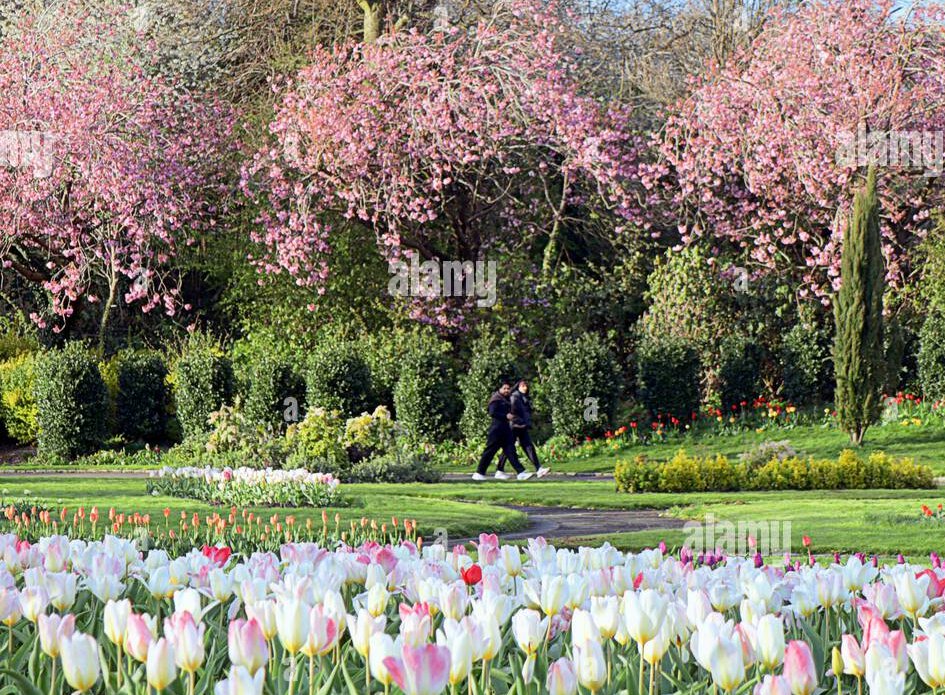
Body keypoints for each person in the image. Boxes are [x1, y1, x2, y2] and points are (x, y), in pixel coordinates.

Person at [472, 379, 533, 481]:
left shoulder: (507, 399)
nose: (506, 390)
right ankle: (479, 473)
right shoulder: (496, 399)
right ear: (500, 389)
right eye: (504, 388)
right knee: (489, 452)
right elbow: (492, 413)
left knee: (511, 451)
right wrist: (506, 416)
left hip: (506, 429)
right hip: (496, 430)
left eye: (508, 388)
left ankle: (521, 472)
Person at [495, 378, 550, 479]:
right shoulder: (515, 397)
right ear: (518, 387)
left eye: (526, 386)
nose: (525, 388)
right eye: (523, 386)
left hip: (521, 426)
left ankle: (539, 468)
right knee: (509, 449)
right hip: (514, 426)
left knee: (528, 446)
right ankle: (500, 470)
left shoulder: (523, 397)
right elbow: (512, 412)